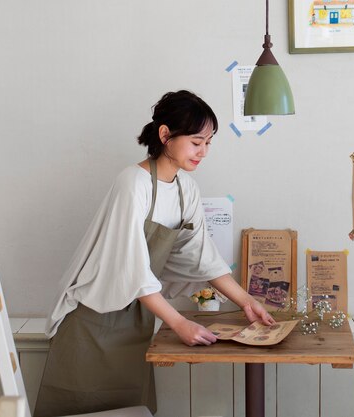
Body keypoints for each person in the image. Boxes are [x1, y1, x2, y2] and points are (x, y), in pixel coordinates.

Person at [34, 90, 274, 417]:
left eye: (209, 142)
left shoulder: (185, 190)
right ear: (165, 135)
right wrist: (178, 322)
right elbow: (131, 268)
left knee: (130, 407)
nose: (203, 151)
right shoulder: (133, 183)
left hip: (136, 321)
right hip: (91, 322)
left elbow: (203, 258)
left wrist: (247, 301)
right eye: (196, 141)